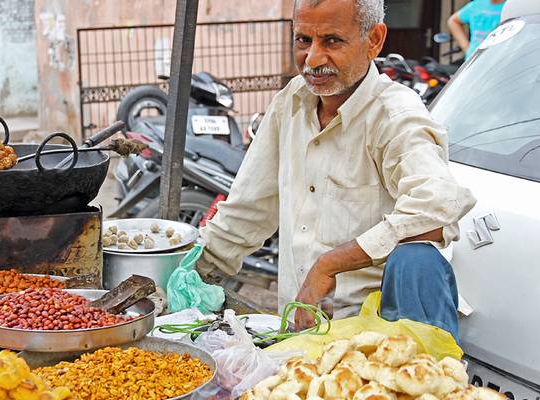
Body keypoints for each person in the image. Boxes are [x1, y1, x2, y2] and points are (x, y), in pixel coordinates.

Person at [197, 0, 476, 340]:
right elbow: (248, 210)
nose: (313, 59)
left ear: (374, 39)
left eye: (331, 41)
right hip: (299, 334)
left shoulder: (395, 115)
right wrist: (190, 270)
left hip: (377, 341)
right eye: (303, 41)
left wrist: (330, 264)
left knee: (418, 259)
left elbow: (437, 208)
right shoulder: (291, 102)